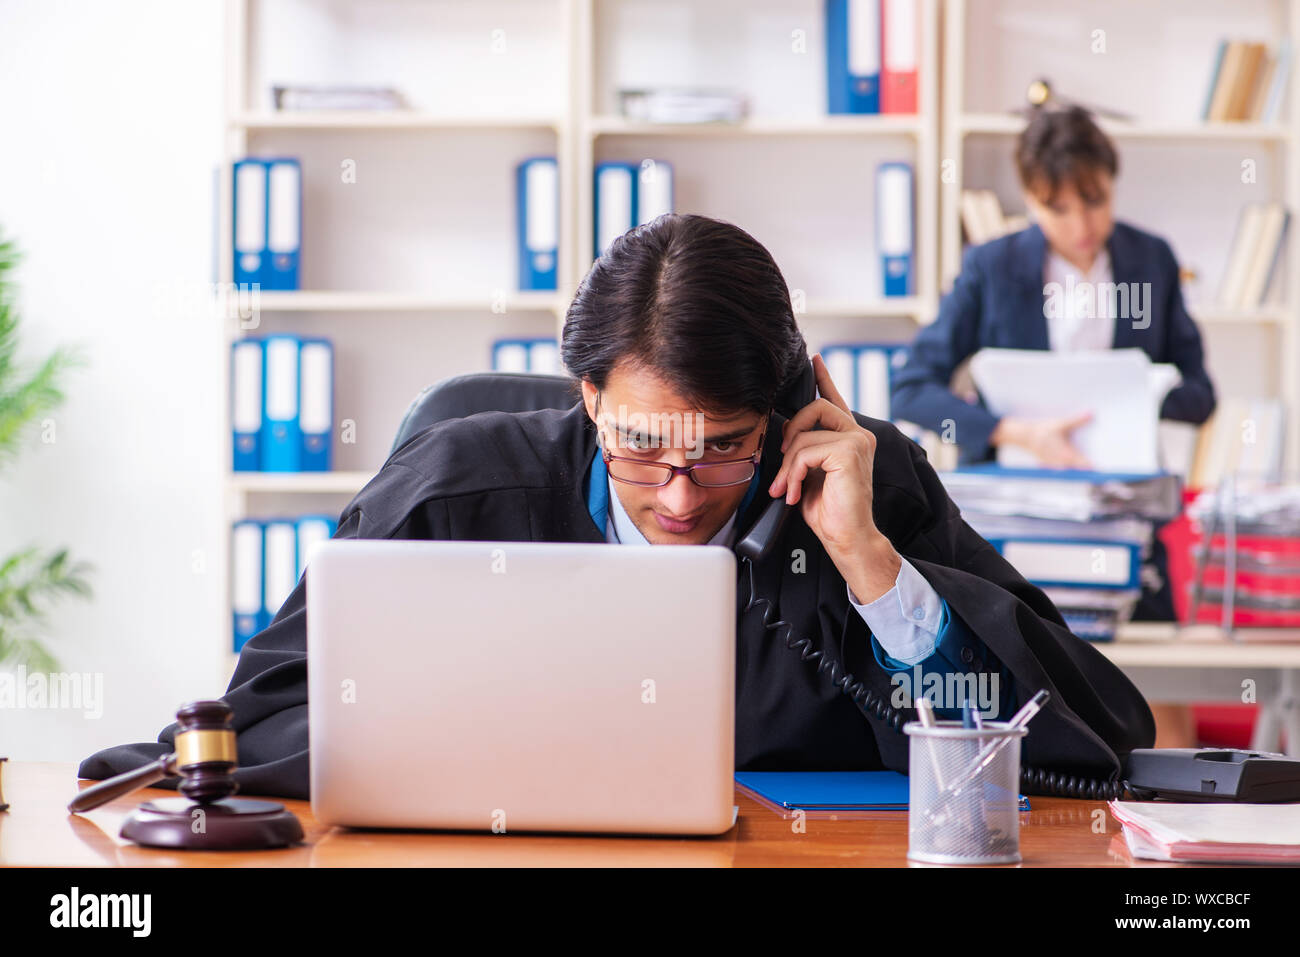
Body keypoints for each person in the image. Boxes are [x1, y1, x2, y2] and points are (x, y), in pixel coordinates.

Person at [80, 213, 1154, 800]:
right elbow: (260, 715)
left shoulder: (873, 489)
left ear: (794, 404)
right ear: (586, 397)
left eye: (722, 449)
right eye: (640, 447)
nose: (678, 496)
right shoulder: (459, 490)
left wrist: (869, 564)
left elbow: (1089, 742)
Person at [891, 104, 1216, 468]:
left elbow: (1201, 398)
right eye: (1058, 209)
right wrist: (1013, 432)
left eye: (1095, 202)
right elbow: (910, 391)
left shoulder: (1152, 260)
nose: (1081, 226)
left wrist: (1139, 395)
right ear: (1031, 201)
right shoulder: (991, 266)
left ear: (1112, 184)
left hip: (1121, 484)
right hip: (1013, 484)